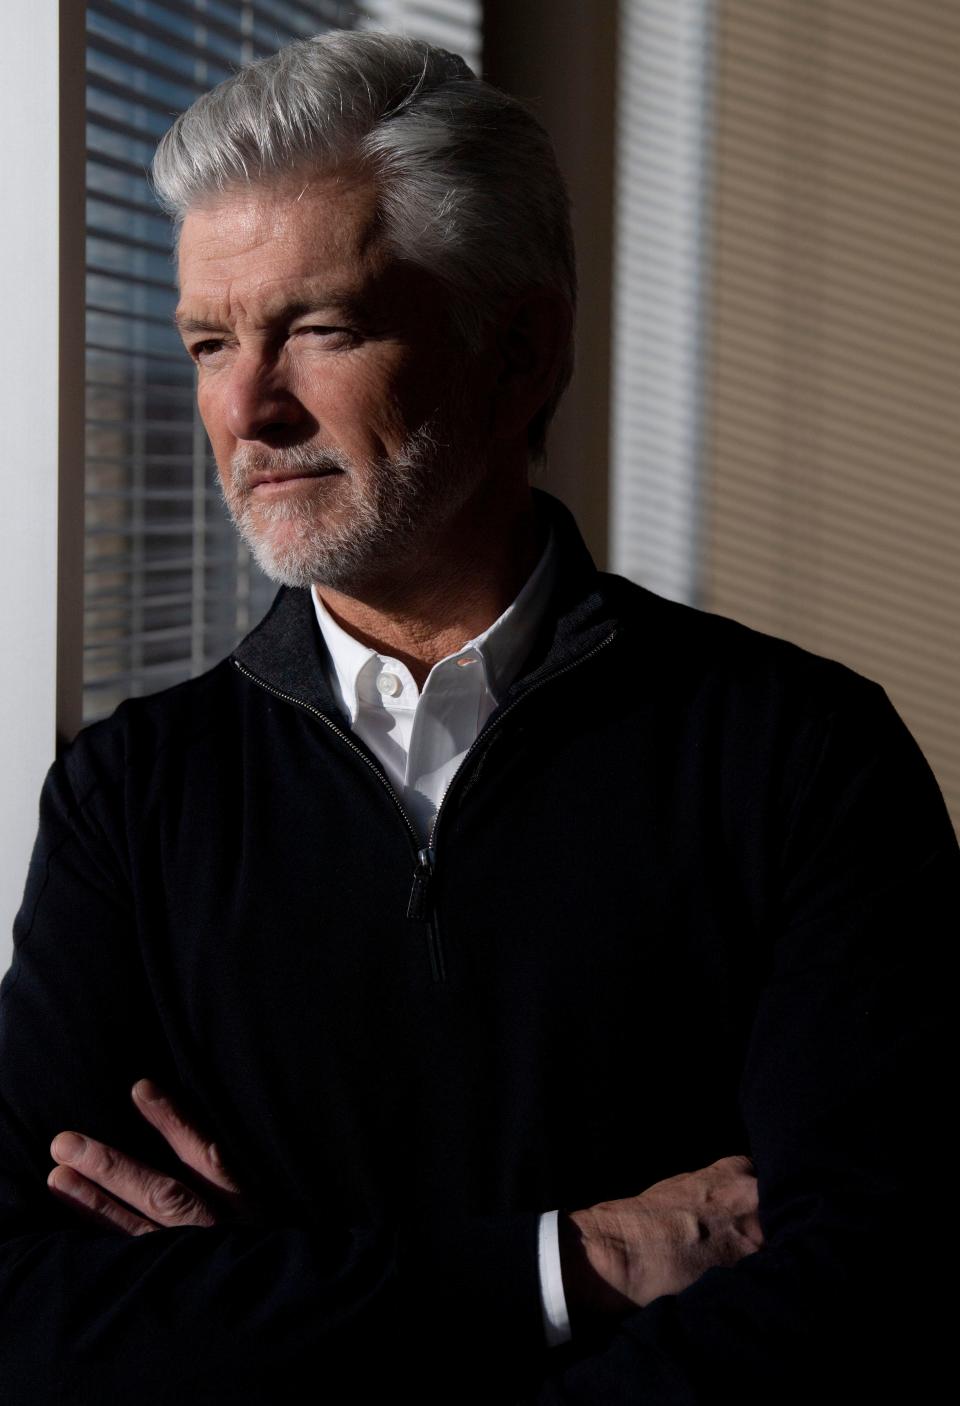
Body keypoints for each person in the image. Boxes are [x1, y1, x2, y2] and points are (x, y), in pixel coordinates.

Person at [0, 29, 955, 1405]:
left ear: (521, 346)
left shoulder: (803, 758)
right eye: (211, 340)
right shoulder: (127, 800)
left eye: (318, 327)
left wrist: (276, 1308)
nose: (247, 408)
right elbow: (32, 1313)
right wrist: (570, 1268)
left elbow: (875, 1298)